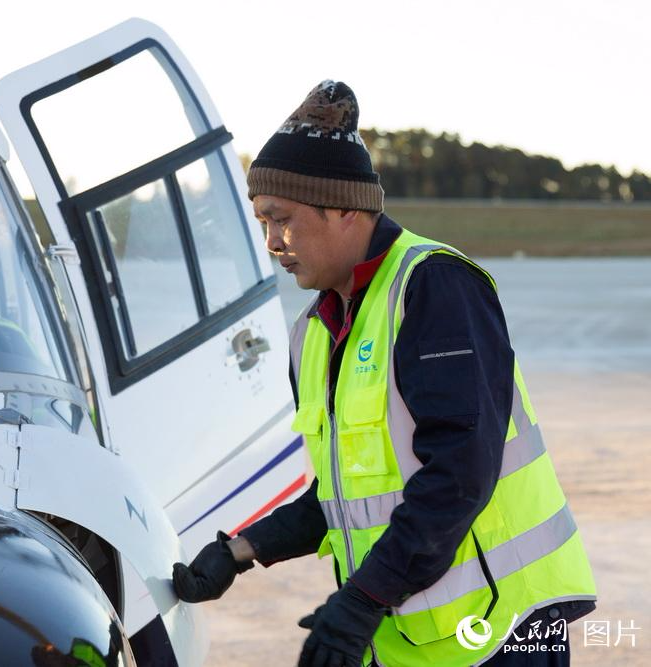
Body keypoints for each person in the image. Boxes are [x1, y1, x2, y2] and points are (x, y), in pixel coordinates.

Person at [171, 80, 597, 667]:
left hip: (502, 631)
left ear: (344, 207)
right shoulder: (316, 330)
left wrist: (361, 599)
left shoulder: (433, 287)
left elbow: (460, 473)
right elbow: (350, 495)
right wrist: (243, 550)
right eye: (263, 222)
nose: (272, 241)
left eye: (281, 219)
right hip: (412, 639)